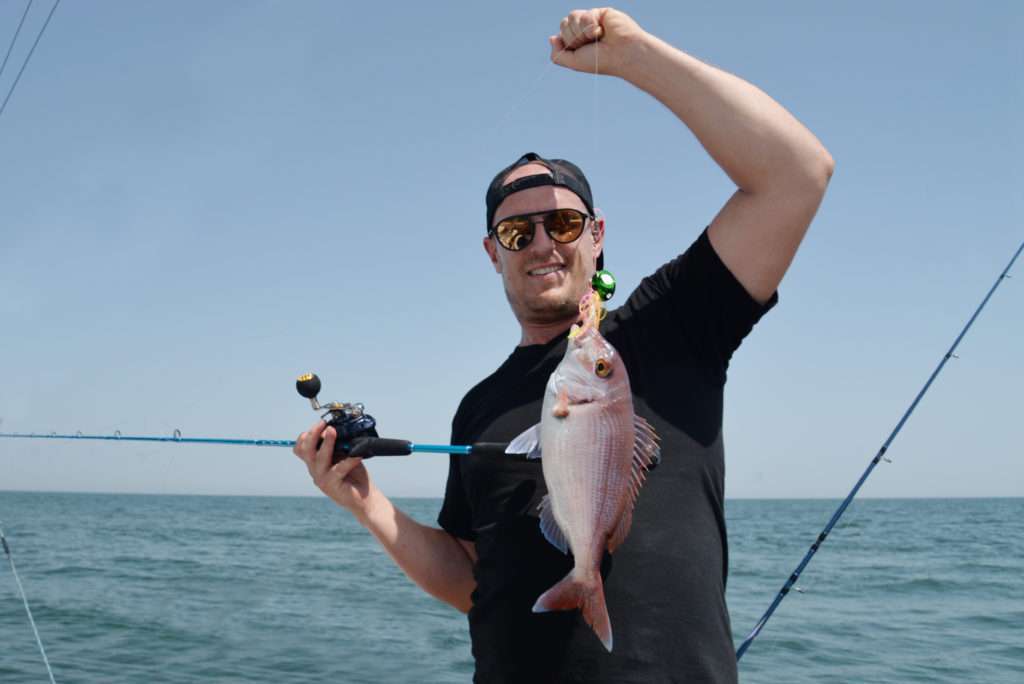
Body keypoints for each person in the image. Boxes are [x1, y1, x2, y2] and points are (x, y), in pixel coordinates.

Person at [293, 7, 833, 683]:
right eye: (519, 233)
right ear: (493, 254)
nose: (544, 243)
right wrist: (364, 502)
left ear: (597, 233)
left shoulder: (672, 328)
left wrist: (636, 57)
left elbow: (796, 175)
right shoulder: (479, 407)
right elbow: (470, 580)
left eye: (564, 222)